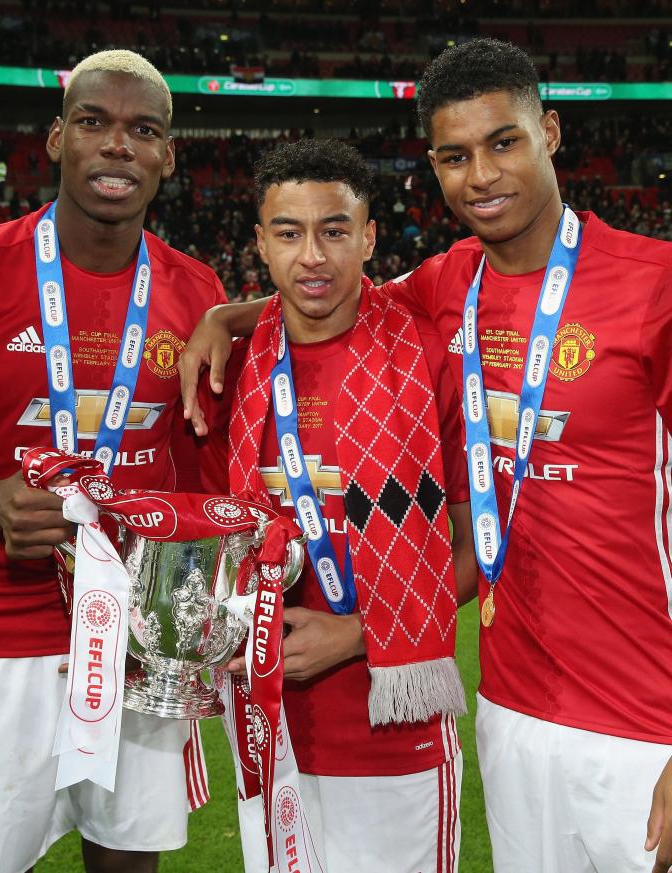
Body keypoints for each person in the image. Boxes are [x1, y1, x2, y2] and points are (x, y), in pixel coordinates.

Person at [180, 39, 672, 873]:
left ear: (551, 133)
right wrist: (225, 318)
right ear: (434, 166)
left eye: (504, 142)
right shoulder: (448, 285)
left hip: (653, 722)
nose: (482, 175)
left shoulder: (665, 284)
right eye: (456, 156)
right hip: (512, 717)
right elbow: (320, 289)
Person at [0, 50, 223, 873]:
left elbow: (208, 493)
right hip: (0, 635)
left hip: (142, 643)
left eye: (143, 130)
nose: (117, 147)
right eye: (93, 123)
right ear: (55, 139)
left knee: (126, 865)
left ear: (167, 156)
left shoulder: (196, 294)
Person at [207, 139, 476, 873]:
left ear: (369, 236)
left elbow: (478, 543)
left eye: (334, 229)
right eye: (289, 233)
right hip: (269, 727)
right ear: (260, 243)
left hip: (395, 729)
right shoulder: (230, 369)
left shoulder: (430, 352)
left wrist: (357, 634)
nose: (313, 255)